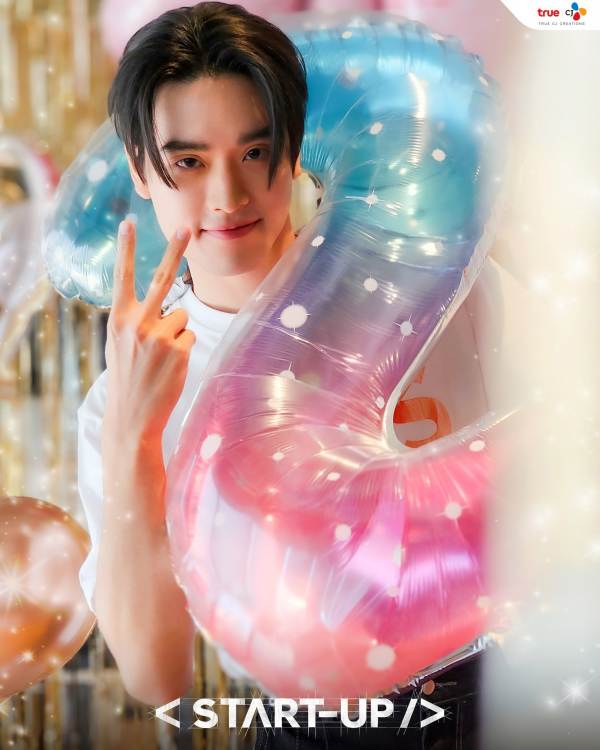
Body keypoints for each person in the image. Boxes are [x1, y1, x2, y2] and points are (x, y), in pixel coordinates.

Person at [77, 2, 498, 746]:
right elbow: (154, 675)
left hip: (492, 697)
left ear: (296, 150)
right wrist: (132, 439)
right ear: (140, 169)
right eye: (188, 162)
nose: (228, 197)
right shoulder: (125, 392)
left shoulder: (441, 287)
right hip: (304, 726)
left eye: (254, 151)